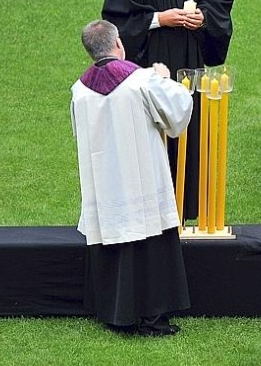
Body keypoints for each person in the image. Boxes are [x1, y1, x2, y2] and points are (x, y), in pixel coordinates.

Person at [102, 0, 234, 220]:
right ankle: (150, 210)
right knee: (153, 134)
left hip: (190, 60)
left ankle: (188, 207)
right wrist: (161, 19)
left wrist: (202, 16)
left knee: (190, 130)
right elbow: (117, 19)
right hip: (152, 62)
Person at [71, 20, 193, 337]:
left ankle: (116, 315)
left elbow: (79, 133)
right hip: (142, 177)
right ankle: (153, 320)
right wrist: (169, 81)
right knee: (150, 244)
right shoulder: (142, 80)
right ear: (118, 44)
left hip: (104, 182)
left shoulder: (80, 90)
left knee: (114, 241)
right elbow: (178, 108)